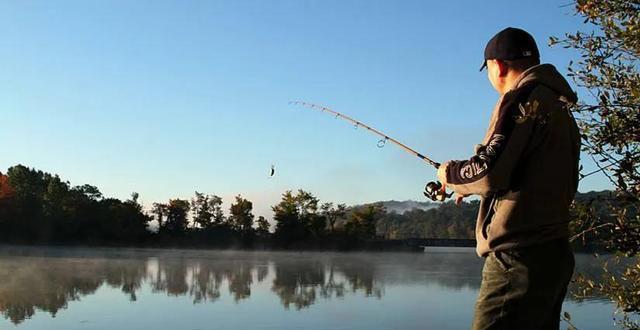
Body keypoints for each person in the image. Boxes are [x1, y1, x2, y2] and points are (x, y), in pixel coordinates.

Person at [436, 27, 581, 330]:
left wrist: (449, 173)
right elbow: (525, 174)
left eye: (487, 69)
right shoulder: (558, 106)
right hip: (552, 252)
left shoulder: (522, 98)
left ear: (497, 66)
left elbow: (489, 170)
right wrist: (471, 185)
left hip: (518, 256)